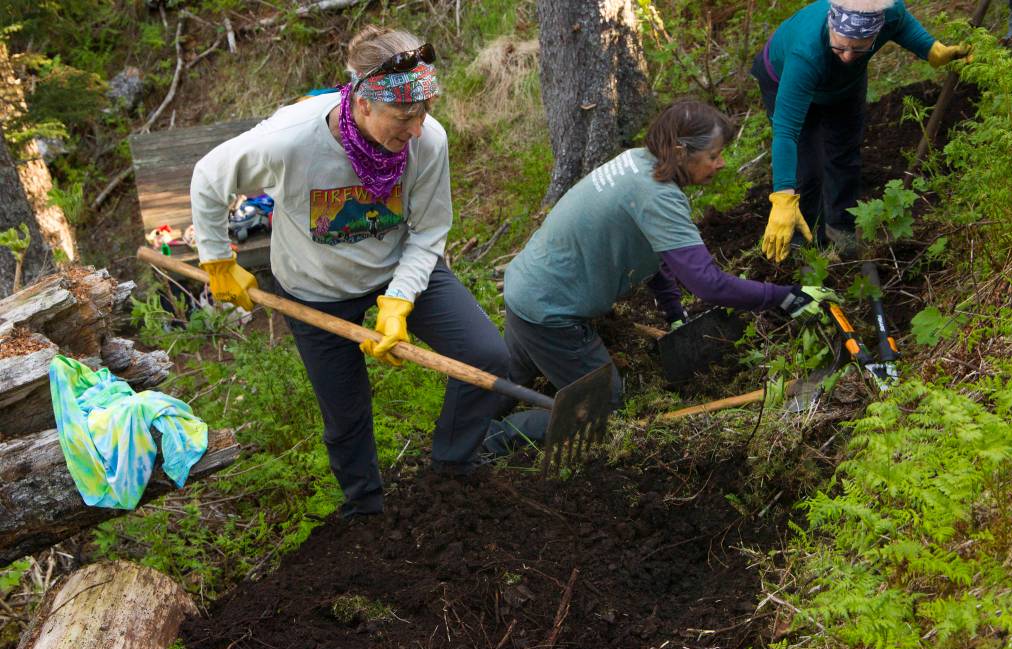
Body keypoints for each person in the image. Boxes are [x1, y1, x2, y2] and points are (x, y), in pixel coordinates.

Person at [190, 26, 509, 517]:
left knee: (488, 356)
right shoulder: (291, 140)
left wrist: (400, 298)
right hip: (314, 289)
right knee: (347, 414)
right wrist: (218, 259)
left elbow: (428, 233)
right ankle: (365, 508)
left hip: (396, 269)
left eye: (423, 113)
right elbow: (209, 177)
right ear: (362, 105)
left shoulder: (428, 141)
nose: (418, 128)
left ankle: (451, 467)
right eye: (404, 116)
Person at [487, 100, 836, 452]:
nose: (721, 163)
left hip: (528, 286)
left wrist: (673, 311)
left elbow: (651, 248)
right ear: (681, 152)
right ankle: (494, 441)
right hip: (552, 311)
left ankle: (462, 436)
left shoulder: (639, 162)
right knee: (602, 406)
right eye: (714, 155)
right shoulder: (656, 195)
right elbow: (708, 284)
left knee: (515, 375)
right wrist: (784, 296)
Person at [751, 0, 972, 263]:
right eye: (840, 46)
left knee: (845, 154)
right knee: (807, 168)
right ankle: (804, 245)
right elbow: (786, 131)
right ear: (832, 26)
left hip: (844, 86)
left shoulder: (887, 14)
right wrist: (783, 196)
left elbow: (902, 25)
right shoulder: (806, 54)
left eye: (858, 49)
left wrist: (931, 49)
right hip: (782, 77)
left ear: (876, 34)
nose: (847, 55)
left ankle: (841, 230)